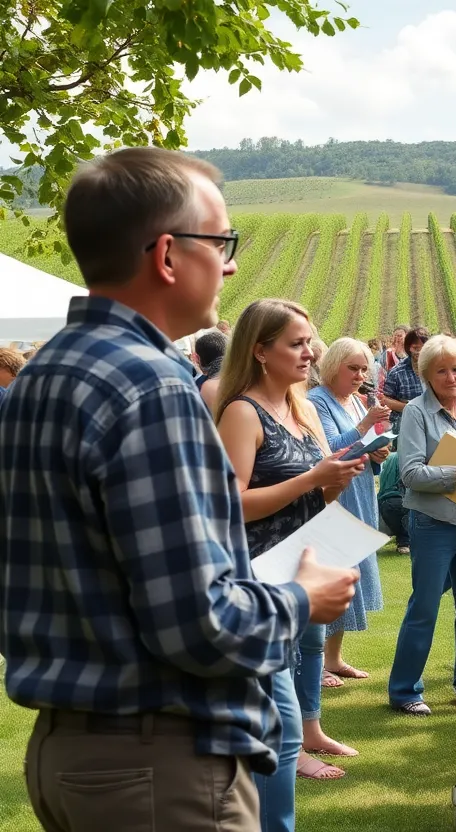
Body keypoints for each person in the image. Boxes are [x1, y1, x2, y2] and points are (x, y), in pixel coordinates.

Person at [0, 147, 357, 832]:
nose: (229, 264)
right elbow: (199, 624)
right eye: (221, 242)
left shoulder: (42, 377)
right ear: (167, 255)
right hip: (159, 761)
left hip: (71, 752)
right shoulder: (153, 386)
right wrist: (300, 599)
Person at [214, 299, 367, 798]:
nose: (309, 353)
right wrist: (312, 478)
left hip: (303, 563)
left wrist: (339, 476)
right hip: (260, 575)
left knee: (297, 674)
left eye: (309, 341)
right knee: (273, 715)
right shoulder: (241, 411)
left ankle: (302, 744)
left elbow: (320, 494)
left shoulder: (301, 408)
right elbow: (232, 505)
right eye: (296, 344)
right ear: (260, 351)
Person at [387, 335, 456, 716]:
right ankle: (405, 690)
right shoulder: (416, 413)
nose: (451, 377)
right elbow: (410, 473)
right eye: (441, 370)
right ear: (426, 374)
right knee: (424, 606)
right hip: (433, 523)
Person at [308, 338, 393, 688]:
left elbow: (359, 448)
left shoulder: (355, 401)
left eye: (363, 369)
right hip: (335, 496)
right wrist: (365, 427)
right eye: (353, 368)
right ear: (333, 366)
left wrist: (378, 452)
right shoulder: (317, 400)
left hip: (359, 492)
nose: (360, 375)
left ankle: (335, 657)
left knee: (351, 572)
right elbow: (328, 449)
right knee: (333, 574)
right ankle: (319, 665)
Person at [382, 326, 430, 438]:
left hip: (431, 426)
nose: (419, 352)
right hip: (405, 427)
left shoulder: (436, 369)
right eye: (415, 348)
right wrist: (411, 408)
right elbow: (385, 399)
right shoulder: (397, 372)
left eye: (423, 348)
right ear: (408, 348)